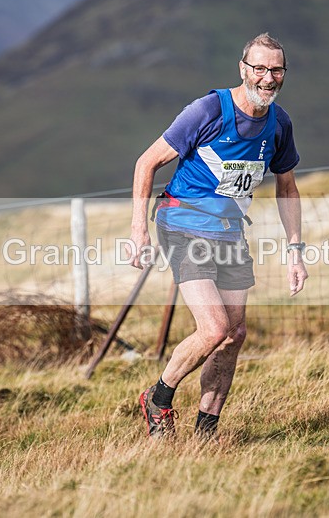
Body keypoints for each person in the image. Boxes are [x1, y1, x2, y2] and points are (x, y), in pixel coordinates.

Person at [128, 32, 308, 439]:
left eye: (276, 70)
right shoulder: (207, 110)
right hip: (182, 223)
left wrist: (295, 251)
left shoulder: (279, 123)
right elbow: (147, 162)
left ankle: (206, 433)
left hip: (229, 234)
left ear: (284, 74)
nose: (267, 78)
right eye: (259, 68)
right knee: (213, 329)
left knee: (234, 336)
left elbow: (287, 187)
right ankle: (158, 399)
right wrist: (138, 230)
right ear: (243, 69)